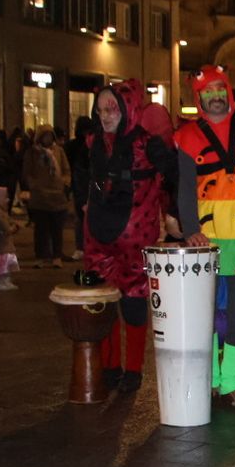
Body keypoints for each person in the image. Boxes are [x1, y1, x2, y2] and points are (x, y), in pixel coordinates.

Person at [176, 66, 235, 410]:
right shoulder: (186, 137)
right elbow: (185, 189)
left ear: (228, 90)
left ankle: (231, 382)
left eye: (218, 89)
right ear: (198, 99)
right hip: (206, 240)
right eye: (206, 92)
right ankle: (211, 380)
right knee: (207, 313)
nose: (214, 96)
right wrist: (189, 231)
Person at [85, 80, 173, 394]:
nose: (106, 115)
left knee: (134, 302)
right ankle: (110, 366)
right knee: (102, 301)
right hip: (99, 232)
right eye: (101, 109)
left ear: (127, 109)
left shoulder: (148, 144)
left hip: (136, 235)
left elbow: (170, 179)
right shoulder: (93, 141)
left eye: (112, 108)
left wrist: (172, 215)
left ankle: (133, 370)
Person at [22, 127, 71, 268]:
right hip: (40, 196)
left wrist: (65, 182)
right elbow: (27, 172)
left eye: (50, 136)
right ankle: (41, 256)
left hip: (57, 195)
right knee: (41, 229)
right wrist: (34, 185)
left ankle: (56, 256)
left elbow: (66, 169)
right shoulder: (32, 153)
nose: (48, 139)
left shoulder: (59, 151)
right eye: (45, 136)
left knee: (57, 228)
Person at [66, 117, 95, 261]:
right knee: (81, 218)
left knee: (83, 219)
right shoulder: (80, 147)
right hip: (83, 185)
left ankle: (84, 247)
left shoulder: (76, 145)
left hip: (86, 185)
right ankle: (82, 247)